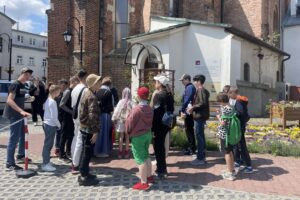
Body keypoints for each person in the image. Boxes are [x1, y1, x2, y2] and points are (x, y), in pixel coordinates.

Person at [3, 67, 33, 170]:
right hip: (14, 115)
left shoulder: (23, 85)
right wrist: (21, 111)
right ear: (23, 73)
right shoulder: (15, 84)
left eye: (30, 75)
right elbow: (9, 100)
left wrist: (29, 98)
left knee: (24, 135)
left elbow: (20, 96)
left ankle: (20, 155)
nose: (29, 77)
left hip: (20, 116)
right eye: (28, 75)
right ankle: (9, 163)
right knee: (14, 138)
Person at [125, 87, 154, 190]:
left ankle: (143, 183)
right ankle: (149, 176)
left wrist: (128, 131)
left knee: (140, 159)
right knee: (146, 155)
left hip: (138, 136)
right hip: (147, 134)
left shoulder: (136, 109)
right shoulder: (150, 108)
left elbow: (129, 123)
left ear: (138, 96)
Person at [78, 74, 102, 186]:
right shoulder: (91, 96)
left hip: (85, 127)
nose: (100, 83)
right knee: (87, 153)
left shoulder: (88, 93)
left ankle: (85, 172)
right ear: (93, 83)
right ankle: (84, 176)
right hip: (89, 129)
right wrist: (95, 131)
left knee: (85, 151)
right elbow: (92, 116)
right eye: (98, 82)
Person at [152, 74, 174, 179]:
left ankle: (161, 170)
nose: (154, 83)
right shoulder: (169, 94)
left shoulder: (159, 95)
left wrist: (152, 127)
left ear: (160, 84)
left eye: (156, 82)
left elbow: (155, 112)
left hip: (159, 125)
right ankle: (162, 168)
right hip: (166, 124)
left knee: (158, 148)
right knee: (161, 147)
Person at [228, 86, 254, 173]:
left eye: (229, 93)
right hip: (240, 126)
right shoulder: (240, 100)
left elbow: (240, 113)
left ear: (233, 93)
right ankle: (238, 161)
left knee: (242, 146)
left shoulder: (239, 101)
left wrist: (232, 114)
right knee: (238, 145)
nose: (229, 95)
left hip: (239, 127)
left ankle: (249, 166)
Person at [187, 74, 210, 166]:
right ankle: (202, 155)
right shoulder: (202, 90)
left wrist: (193, 107)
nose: (194, 83)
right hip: (200, 116)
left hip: (199, 116)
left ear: (199, 82)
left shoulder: (201, 90)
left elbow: (202, 103)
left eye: (195, 81)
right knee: (201, 136)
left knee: (199, 137)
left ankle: (200, 158)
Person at [216, 92, 238, 180]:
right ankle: (232, 170)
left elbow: (223, 123)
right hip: (230, 133)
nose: (218, 103)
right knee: (230, 151)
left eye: (219, 101)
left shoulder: (224, 109)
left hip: (225, 134)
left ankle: (230, 174)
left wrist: (218, 116)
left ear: (221, 101)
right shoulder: (231, 108)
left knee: (227, 153)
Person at [71, 69, 88, 174]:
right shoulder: (85, 90)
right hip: (82, 117)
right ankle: (75, 164)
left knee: (75, 137)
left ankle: (73, 159)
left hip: (75, 116)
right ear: (85, 77)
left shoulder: (75, 88)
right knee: (80, 140)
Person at [59, 76, 79, 162]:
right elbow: (61, 104)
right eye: (77, 82)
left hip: (71, 117)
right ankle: (61, 154)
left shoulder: (74, 91)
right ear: (73, 82)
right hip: (65, 117)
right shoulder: (68, 91)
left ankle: (68, 152)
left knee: (70, 135)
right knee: (64, 135)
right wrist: (71, 112)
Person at [42, 85, 61, 172]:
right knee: (48, 145)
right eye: (59, 91)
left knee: (48, 144)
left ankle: (47, 161)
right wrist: (59, 125)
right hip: (50, 124)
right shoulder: (52, 101)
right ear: (55, 92)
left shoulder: (48, 100)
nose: (59, 93)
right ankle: (45, 163)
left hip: (47, 124)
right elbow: (54, 117)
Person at [94, 77, 114, 157]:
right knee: (105, 133)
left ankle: (96, 150)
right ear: (109, 84)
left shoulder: (97, 91)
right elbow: (111, 106)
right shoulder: (109, 92)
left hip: (97, 114)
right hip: (105, 115)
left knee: (98, 133)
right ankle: (103, 151)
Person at [112, 87, 133, 159]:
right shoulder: (131, 102)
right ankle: (127, 152)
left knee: (121, 136)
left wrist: (114, 118)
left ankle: (120, 153)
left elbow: (116, 111)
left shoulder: (120, 102)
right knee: (127, 137)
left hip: (121, 121)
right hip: (128, 121)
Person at [179, 74, 196, 155]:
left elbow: (187, 100)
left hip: (188, 112)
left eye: (182, 80)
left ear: (187, 79)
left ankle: (192, 149)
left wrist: (182, 110)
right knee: (189, 130)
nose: (182, 82)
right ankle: (191, 148)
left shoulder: (189, 87)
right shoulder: (189, 87)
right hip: (188, 111)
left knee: (189, 130)